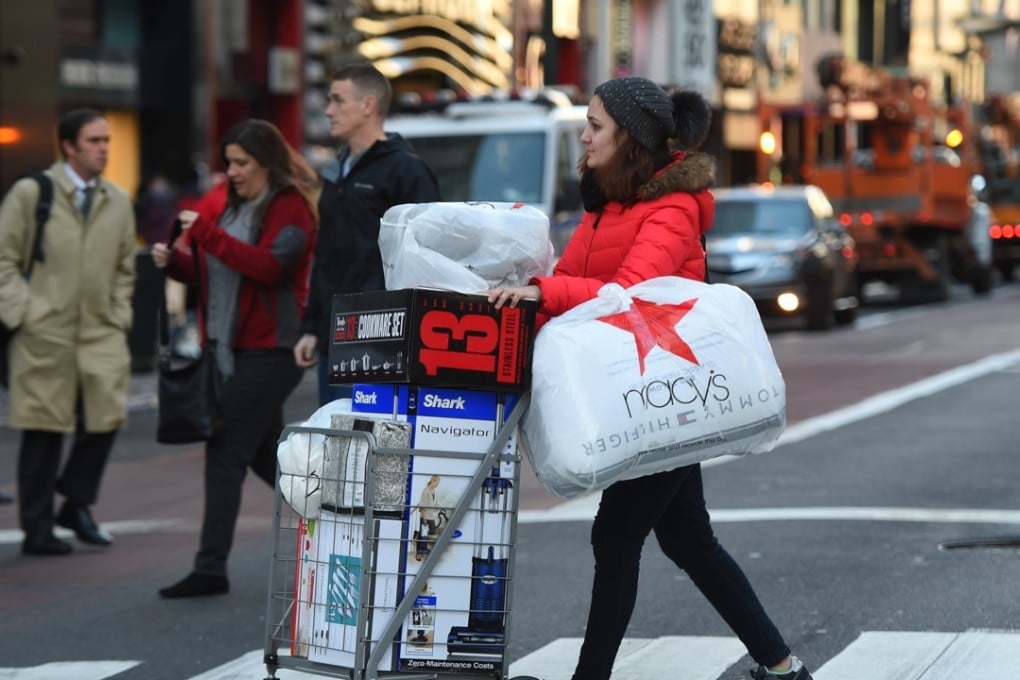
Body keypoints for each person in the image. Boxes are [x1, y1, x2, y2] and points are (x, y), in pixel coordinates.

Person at [487, 77, 814, 680]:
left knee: (616, 536)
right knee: (687, 540)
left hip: (663, 386)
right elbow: (570, 283)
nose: (584, 136)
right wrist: (528, 283)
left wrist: (542, 292)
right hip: (640, 392)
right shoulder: (606, 202)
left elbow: (631, 294)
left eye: (595, 126)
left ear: (631, 139)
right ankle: (783, 667)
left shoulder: (674, 206)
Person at [151, 119, 318, 598]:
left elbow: (268, 267)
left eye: (241, 163)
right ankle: (339, 510)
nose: (232, 172)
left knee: (225, 448)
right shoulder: (235, 207)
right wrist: (180, 264)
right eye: (228, 163)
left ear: (267, 161)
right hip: (234, 347)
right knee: (266, 454)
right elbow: (221, 271)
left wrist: (205, 233)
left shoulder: (291, 208)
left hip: (274, 348)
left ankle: (210, 568)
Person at [0, 108, 137, 556]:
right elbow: (3, 259)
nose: (104, 149)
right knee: (43, 431)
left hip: (101, 330)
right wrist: (24, 312)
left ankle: (75, 503)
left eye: (106, 141)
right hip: (44, 331)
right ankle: (37, 529)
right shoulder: (31, 193)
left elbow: (124, 267)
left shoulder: (117, 200)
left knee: (106, 417)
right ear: (69, 147)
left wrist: (119, 314)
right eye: (95, 141)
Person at [293, 62, 440, 405]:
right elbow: (326, 252)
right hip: (335, 334)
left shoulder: (406, 170)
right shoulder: (336, 171)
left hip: (379, 338)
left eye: (338, 100)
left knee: (367, 447)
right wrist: (312, 327)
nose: (328, 111)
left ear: (368, 105)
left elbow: (426, 256)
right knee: (334, 446)